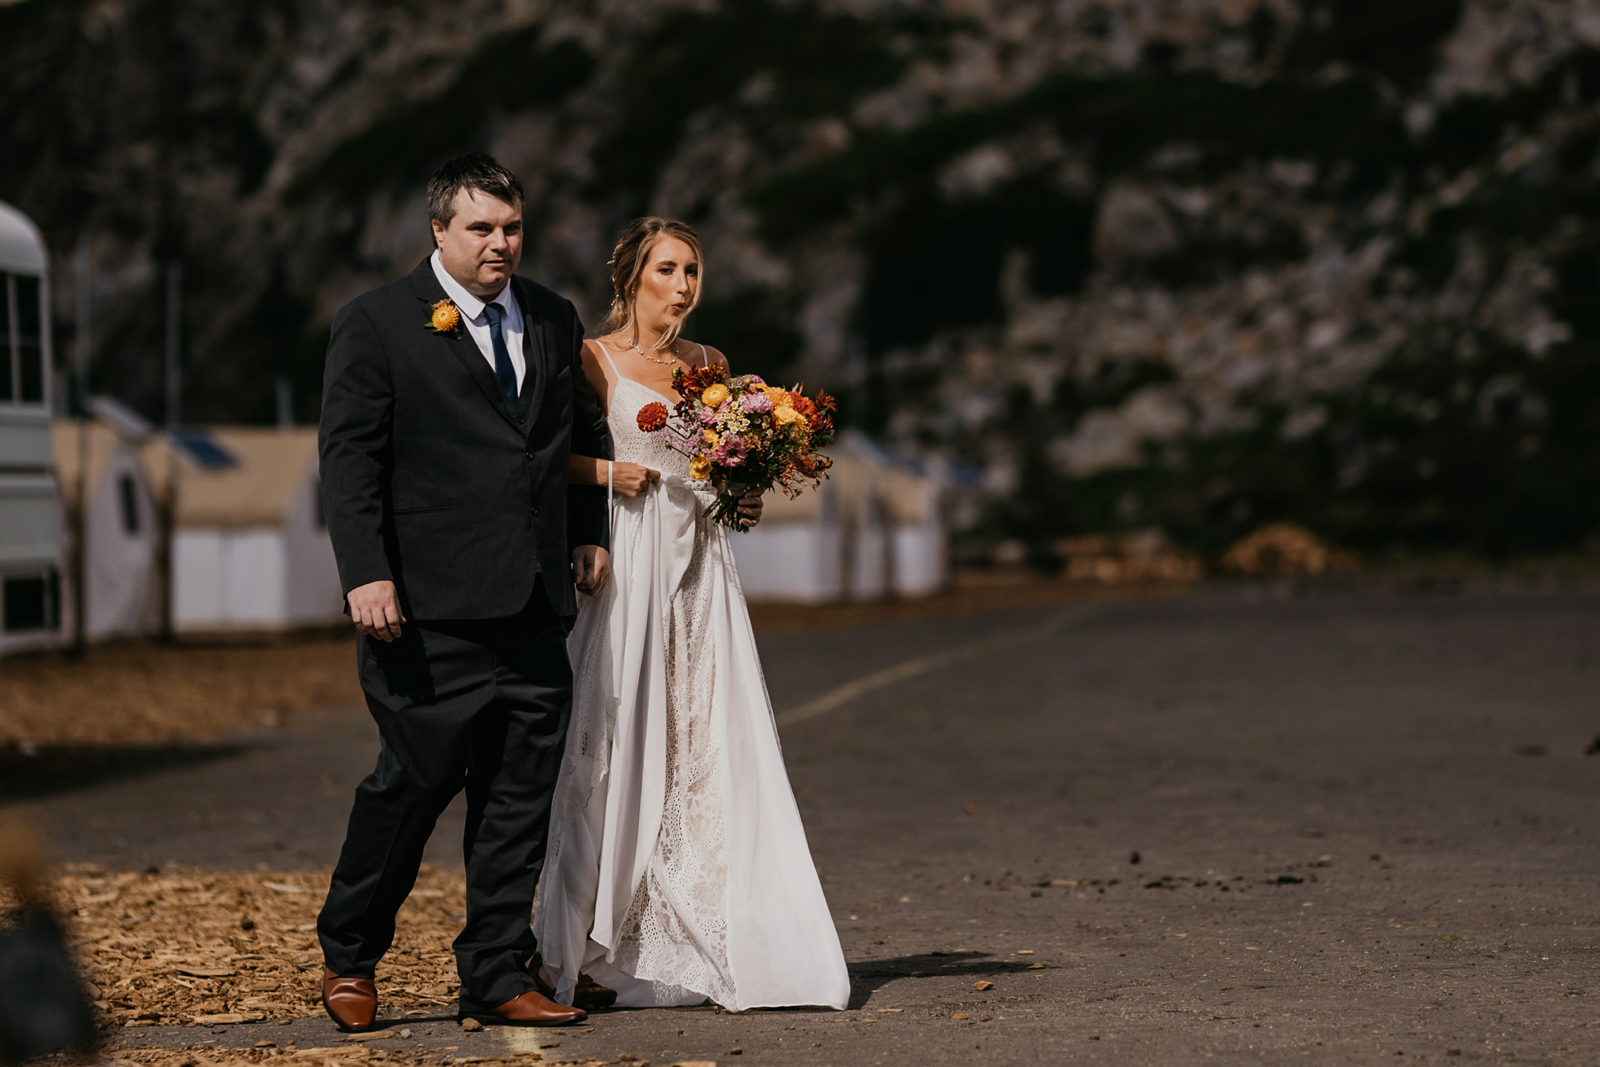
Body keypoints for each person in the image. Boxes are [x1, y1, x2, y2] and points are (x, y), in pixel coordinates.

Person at [315, 153, 612, 1031]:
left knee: (520, 796)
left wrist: (588, 529)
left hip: (533, 606)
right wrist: (365, 571)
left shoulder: (553, 317)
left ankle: (494, 971)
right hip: (422, 610)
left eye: (512, 227)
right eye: (481, 227)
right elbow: (350, 460)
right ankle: (349, 955)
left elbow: (582, 433)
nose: (500, 243)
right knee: (410, 785)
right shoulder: (375, 323)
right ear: (439, 230)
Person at [531, 217, 850, 1012]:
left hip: (702, 564)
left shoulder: (711, 365)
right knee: (615, 732)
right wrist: (609, 474)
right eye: (668, 269)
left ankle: (704, 922)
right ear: (631, 278)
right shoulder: (594, 358)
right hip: (631, 556)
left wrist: (744, 485)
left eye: (692, 271)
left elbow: (719, 470)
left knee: (701, 732)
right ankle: (582, 937)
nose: (682, 285)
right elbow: (542, 457)